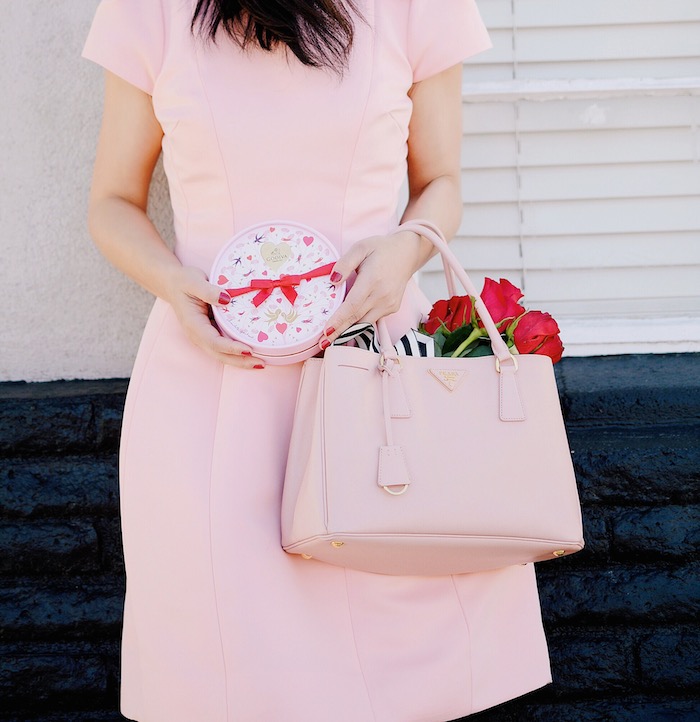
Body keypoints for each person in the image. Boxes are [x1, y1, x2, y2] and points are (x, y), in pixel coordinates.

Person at [82, 1, 552, 720]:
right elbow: (112, 202)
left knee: (408, 646)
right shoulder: (149, 8)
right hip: (213, 379)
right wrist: (172, 283)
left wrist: (407, 249)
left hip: (378, 367)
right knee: (230, 663)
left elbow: (443, 182)